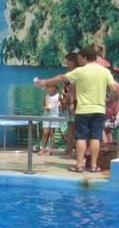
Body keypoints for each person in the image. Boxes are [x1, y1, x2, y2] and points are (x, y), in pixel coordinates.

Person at [35, 44, 119, 173]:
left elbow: (62, 77)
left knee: (81, 138)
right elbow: (114, 89)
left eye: (81, 58)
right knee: (95, 138)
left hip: (83, 110)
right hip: (99, 110)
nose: (80, 61)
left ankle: (79, 165)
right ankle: (93, 166)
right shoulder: (105, 71)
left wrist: (45, 82)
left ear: (85, 58)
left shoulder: (80, 71)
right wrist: (111, 101)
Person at [59, 52, 79, 156]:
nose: (67, 63)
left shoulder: (77, 72)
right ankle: (70, 145)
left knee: (77, 125)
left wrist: (71, 102)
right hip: (67, 100)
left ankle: (77, 147)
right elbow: (65, 86)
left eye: (69, 61)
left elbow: (74, 88)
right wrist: (63, 92)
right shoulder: (68, 72)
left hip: (74, 101)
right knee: (70, 124)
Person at [38, 82, 60, 156]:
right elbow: (42, 105)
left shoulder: (58, 96)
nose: (49, 90)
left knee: (52, 132)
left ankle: (51, 149)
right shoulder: (46, 96)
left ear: (54, 88)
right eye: (47, 88)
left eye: (50, 88)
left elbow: (61, 103)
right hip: (46, 115)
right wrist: (45, 108)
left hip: (54, 115)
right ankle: (43, 148)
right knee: (45, 132)